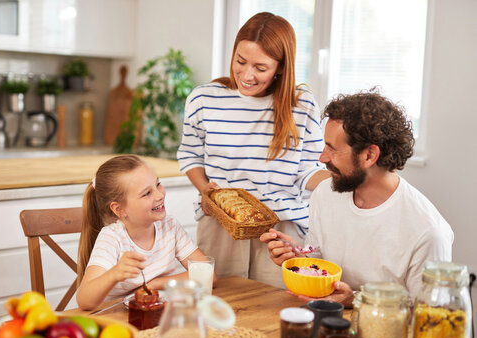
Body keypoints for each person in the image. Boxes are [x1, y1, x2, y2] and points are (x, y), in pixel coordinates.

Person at [177, 12, 330, 288]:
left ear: (281, 67)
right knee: (216, 307)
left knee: (275, 312)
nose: (247, 75)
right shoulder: (204, 98)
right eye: (240, 61)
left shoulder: (302, 106)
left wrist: (343, 179)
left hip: (281, 231)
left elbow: (308, 171)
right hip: (220, 224)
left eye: (260, 68)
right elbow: (190, 155)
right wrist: (206, 191)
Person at [260, 91, 453, 306]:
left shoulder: (428, 232)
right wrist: (297, 260)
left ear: (369, 155)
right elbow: (321, 264)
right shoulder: (326, 193)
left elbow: (430, 317)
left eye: (332, 149)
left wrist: (356, 300)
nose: (322, 158)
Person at [76, 155, 215, 310]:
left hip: (157, 314)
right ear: (119, 209)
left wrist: (155, 284)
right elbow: (84, 300)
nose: (159, 195)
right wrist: (114, 274)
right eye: (147, 193)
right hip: (119, 320)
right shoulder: (112, 238)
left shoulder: (170, 227)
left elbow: (208, 275)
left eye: (158, 184)